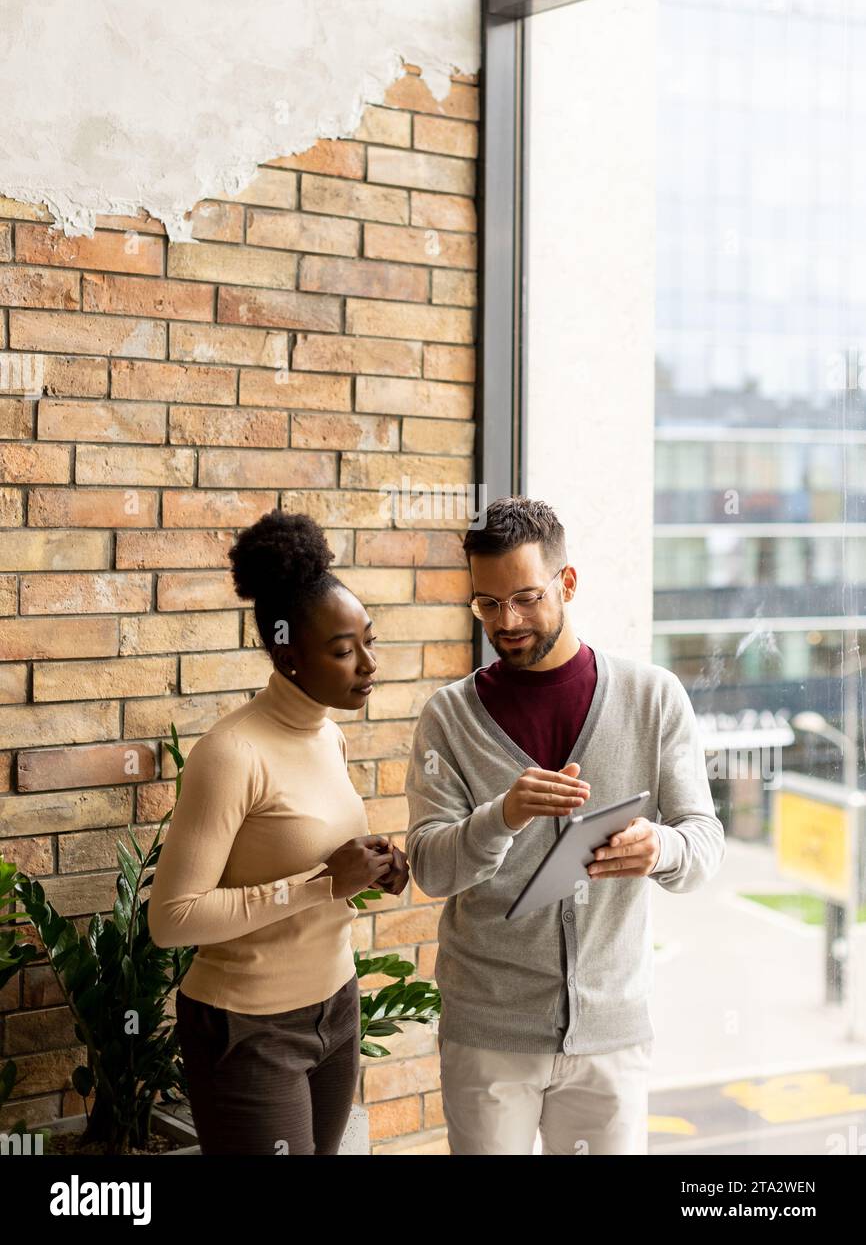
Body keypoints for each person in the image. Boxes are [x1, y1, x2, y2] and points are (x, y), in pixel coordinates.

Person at [404, 494, 725, 1155]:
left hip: (613, 1034)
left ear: (567, 582)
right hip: (488, 1035)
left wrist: (658, 847)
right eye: (487, 604)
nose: (507, 621)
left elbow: (704, 840)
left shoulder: (652, 695)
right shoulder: (449, 718)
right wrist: (503, 816)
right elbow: (431, 868)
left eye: (525, 597)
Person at [148, 510, 409, 1155]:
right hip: (247, 1027)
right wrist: (322, 885)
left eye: (368, 641)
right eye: (344, 651)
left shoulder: (328, 731)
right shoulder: (231, 753)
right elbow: (172, 919)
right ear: (290, 657)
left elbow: (308, 853)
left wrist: (375, 865)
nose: (368, 664)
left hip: (336, 1006)